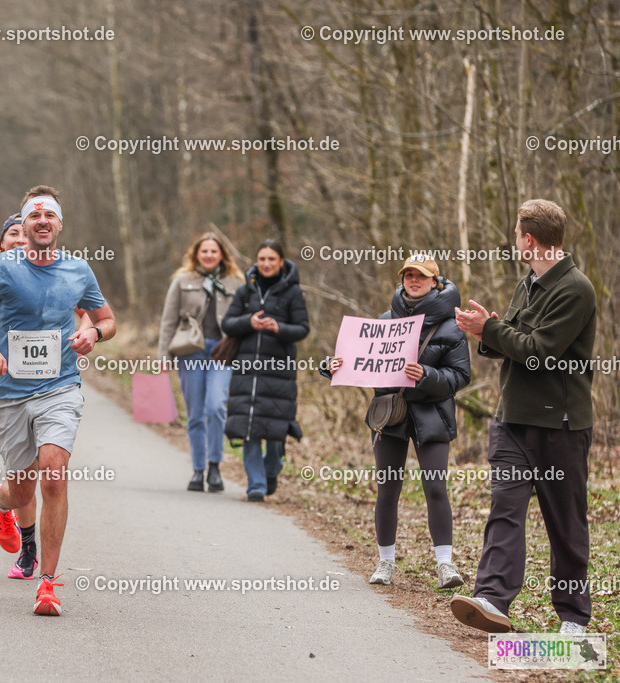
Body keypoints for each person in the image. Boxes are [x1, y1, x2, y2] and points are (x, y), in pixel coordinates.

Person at [0, 185, 116, 616]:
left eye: (50, 217)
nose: (42, 222)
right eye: (34, 217)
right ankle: (1, 501)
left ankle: (47, 583)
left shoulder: (78, 270)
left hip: (60, 388)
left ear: (60, 225)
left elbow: (106, 319)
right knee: (22, 491)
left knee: (53, 475)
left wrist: (93, 334)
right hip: (9, 394)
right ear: (24, 225)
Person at [451, 199, 596, 635]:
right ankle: (492, 599)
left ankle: (573, 617)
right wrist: (486, 330)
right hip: (512, 421)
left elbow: (540, 351)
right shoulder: (527, 282)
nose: (514, 241)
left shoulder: (575, 289)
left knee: (565, 524)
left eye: (516, 234)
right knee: (505, 510)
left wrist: (492, 330)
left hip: (561, 426)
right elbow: (514, 339)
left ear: (527, 238)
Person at [323, 254, 470, 589]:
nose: (413, 281)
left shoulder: (451, 325)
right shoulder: (383, 322)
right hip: (390, 415)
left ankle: (445, 565)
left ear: (436, 281)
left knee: (435, 487)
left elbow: (461, 376)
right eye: (407, 275)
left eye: (420, 276)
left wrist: (427, 374)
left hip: (433, 415)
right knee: (388, 489)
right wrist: (331, 366)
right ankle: (385, 563)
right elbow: (359, 363)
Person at [221, 239, 309, 502]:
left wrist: (278, 328)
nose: (267, 264)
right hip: (246, 369)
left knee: (274, 430)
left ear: (281, 262)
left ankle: (272, 469)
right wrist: (249, 322)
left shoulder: (293, 292)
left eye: (272, 259)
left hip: (278, 370)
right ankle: (256, 485)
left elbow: (303, 329)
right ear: (256, 261)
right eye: (262, 259)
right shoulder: (245, 291)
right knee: (249, 428)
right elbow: (228, 323)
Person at [157, 233, 244, 492]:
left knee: (216, 407)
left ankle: (215, 466)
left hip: (222, 353)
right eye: (203, 251)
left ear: (222, 255)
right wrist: (164, 357)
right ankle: (198, 470)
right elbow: (168, 319)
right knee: (195, 413)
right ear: (196, 254)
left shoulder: (236, 283)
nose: (208, 255)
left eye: (213, 251)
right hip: (189, 352)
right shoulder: (183, 281)